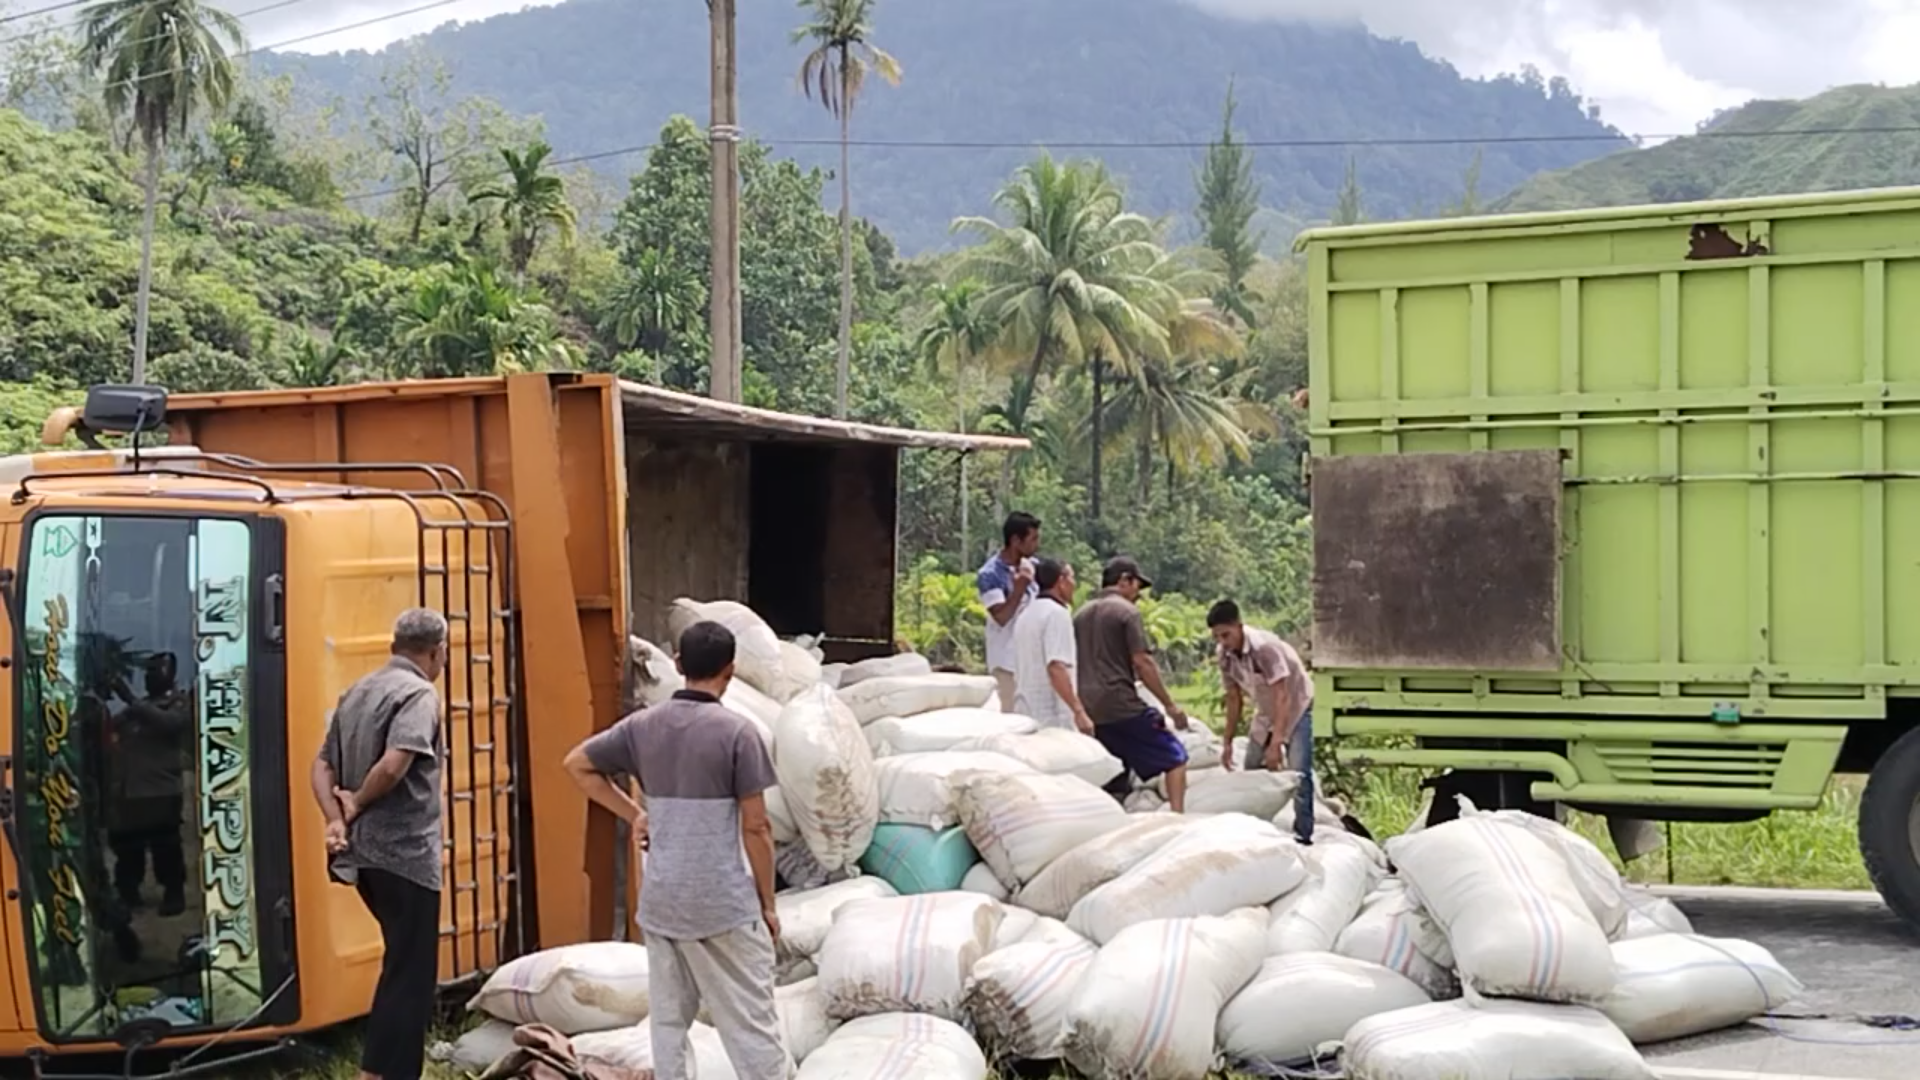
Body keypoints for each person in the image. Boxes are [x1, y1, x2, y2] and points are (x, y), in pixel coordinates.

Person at [562, 621, 788, 1080]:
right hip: (722, 905)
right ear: (731, 671)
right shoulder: (739, 734)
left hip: (663, 902)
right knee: (751, 1025)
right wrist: (767, 904)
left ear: (679, 664)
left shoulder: (641, 727)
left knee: (667, 1022)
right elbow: (757, 827)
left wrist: (635, 815)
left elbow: (578, 764)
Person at [313, 608, 450, 1080]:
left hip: (363, 857)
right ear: (436, 652)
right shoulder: (417, 695)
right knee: (412, 974)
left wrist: (336, 819)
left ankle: (374, 1070)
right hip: (406, 854)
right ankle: (391, 1074)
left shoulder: (358, 691)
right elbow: (394, 765)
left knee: (398, 964)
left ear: (395, 645)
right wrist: (356, 805)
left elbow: (322, 765)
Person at [1073, 557, 1192, 812]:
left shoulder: (1080, 615)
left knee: (1114, 772)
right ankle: (1178, 820)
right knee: (1175, 757)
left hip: (1090, 708)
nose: (1138, 594)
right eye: (1137, 585)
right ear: (1125, 580)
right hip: (1122, 704)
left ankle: (1111, 819)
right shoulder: (1126, 612)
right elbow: (1142, 662)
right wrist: (1170, 705)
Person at [1208, 599, 1316, 843]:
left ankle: (1303, 834)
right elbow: (1234, 698)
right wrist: (1227, 742)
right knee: (1251, 769)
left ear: (1240, 626)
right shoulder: (1224, 655)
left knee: (1299, 773)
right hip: (1266, 710)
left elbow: (1283, 695)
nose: (1223, 642)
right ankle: (1255, 833)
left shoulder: (1265, 648)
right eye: (1217, 637)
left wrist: (1277, 743)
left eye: (1226, 635)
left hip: (1296, 705)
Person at [106, 652, 191, 917]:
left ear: (169, 674)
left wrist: (129, 698)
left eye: (156, 671)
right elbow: (113, 724)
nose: (150, 676)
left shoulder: (178, 703)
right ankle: (128, 891)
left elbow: (170, 724)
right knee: (128, 847)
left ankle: (173, 893)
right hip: (131, 791)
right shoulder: (142, 705)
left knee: (165, 846)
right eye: (148, 672)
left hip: (161, 791)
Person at [1010, 558, 1092, 734]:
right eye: (1072, 577)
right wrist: (1079, 711)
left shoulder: (1026, 614)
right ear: (1061, 581)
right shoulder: (1057, 614)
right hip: (1051, 718)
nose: (1074, 584)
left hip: (1025, 711)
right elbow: (1056, 667)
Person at [978, 511, 1041, 711]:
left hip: (1031, 658)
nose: (1036, 545)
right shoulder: (990, 574)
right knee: (1011, 717)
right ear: (1015, 540)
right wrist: (1019, 588)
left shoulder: (1033, 566)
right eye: (1032, 539)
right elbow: (1001, 617)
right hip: (1006, 662)